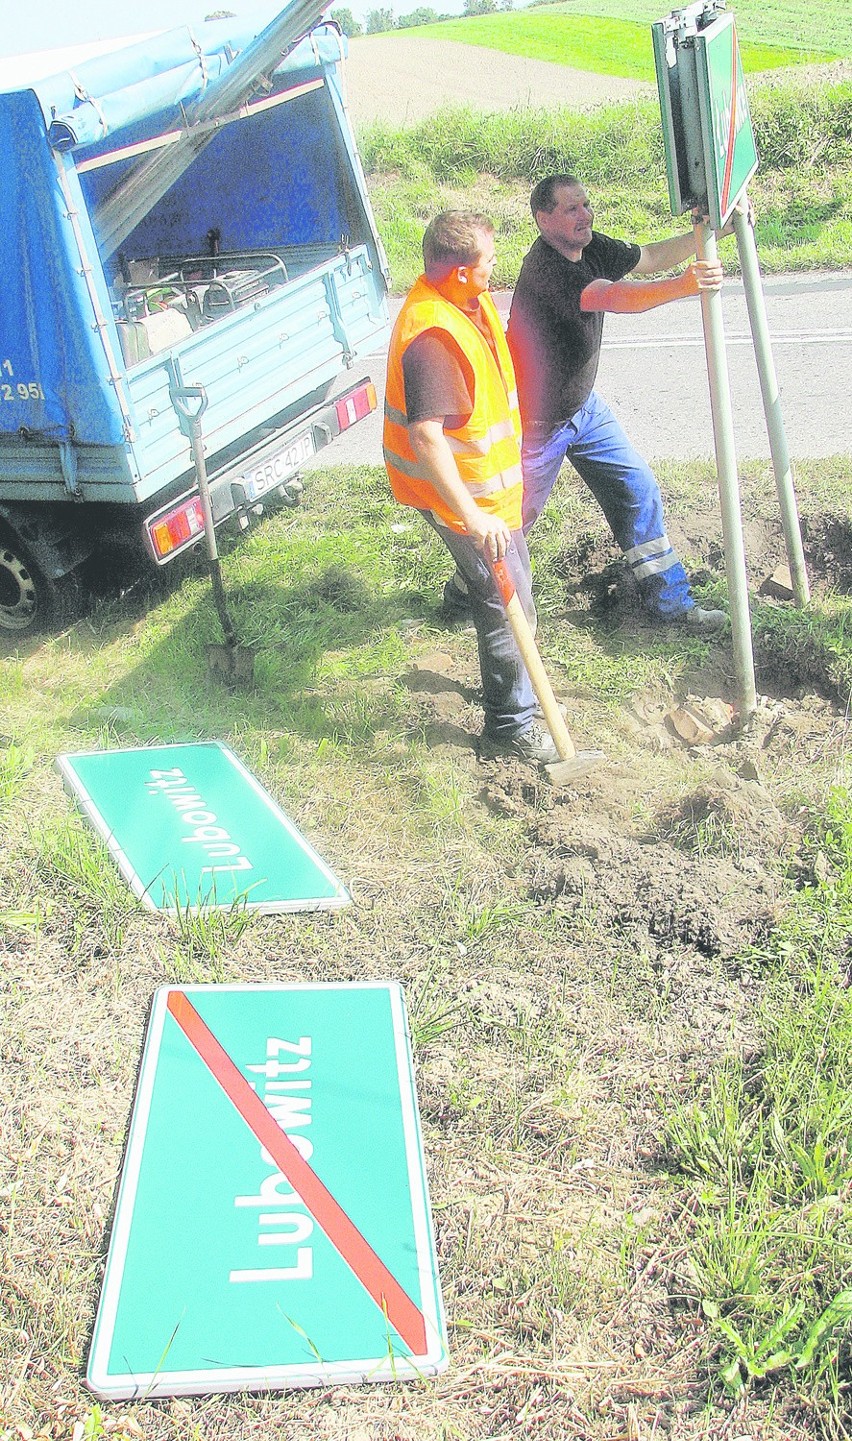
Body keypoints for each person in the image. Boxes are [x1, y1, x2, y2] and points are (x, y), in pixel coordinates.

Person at [446, 174, 727, 632]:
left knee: (637, 489)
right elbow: (610, 297)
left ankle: (671, 605)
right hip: (536, 425)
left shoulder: (592, 247)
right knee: (510, 525)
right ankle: (465, 592)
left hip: (583, 411)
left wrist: (715, 233)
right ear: (543, 219)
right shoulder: (546, 270)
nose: (584, 215)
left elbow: (651, 256)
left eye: (586, 205)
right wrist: (682, 287)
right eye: (571, 209)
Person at [383, 210, 561, 765]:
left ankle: (467, 587)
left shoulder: (466, 299)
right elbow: (426, 437)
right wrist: (474, 518)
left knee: (498, 590)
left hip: (488, 492)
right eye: (488, 259)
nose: (495, 266)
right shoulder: (432, 338)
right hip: (467, 501)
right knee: (511, 603)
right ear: (459, 271)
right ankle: (510, 724)